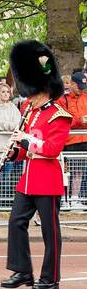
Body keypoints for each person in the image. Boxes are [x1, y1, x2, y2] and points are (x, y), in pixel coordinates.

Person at [2, 41, 71, 289]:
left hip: (48, 179)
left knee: (50, 231)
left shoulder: (59, 115)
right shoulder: (30, 113)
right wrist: (14, 153)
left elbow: (52, 150)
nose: (27, 97)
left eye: (31, 93)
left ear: (42, 89)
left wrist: (27, 140)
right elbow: (26, 152)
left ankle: (50, 276)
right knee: (15, 222)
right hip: (28, 179)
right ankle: (22, 270)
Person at [59, 70, 87, 208]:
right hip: (68, 141)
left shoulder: (85, 98)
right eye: (79, 87)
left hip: (83, 139)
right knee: (65, 171)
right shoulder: (63, 99)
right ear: (72, 84)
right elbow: (64, 120)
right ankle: (63, 198)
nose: (81, 90)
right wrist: (80, 121)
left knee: (79, 170)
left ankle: (75, 199)